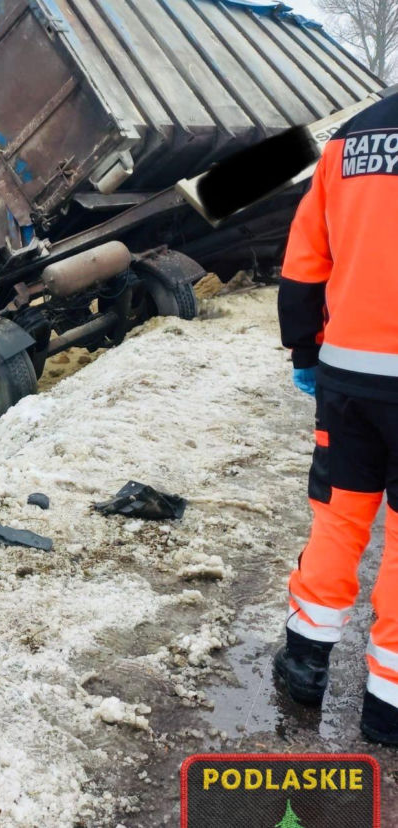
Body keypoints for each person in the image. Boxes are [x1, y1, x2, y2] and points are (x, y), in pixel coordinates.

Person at [276, 92, 398, 745]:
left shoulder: (351, 139)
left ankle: (304, 665)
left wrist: (304, 347)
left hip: (348, 380)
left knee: (339, 518)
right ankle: (388, 710)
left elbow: (305, 255)